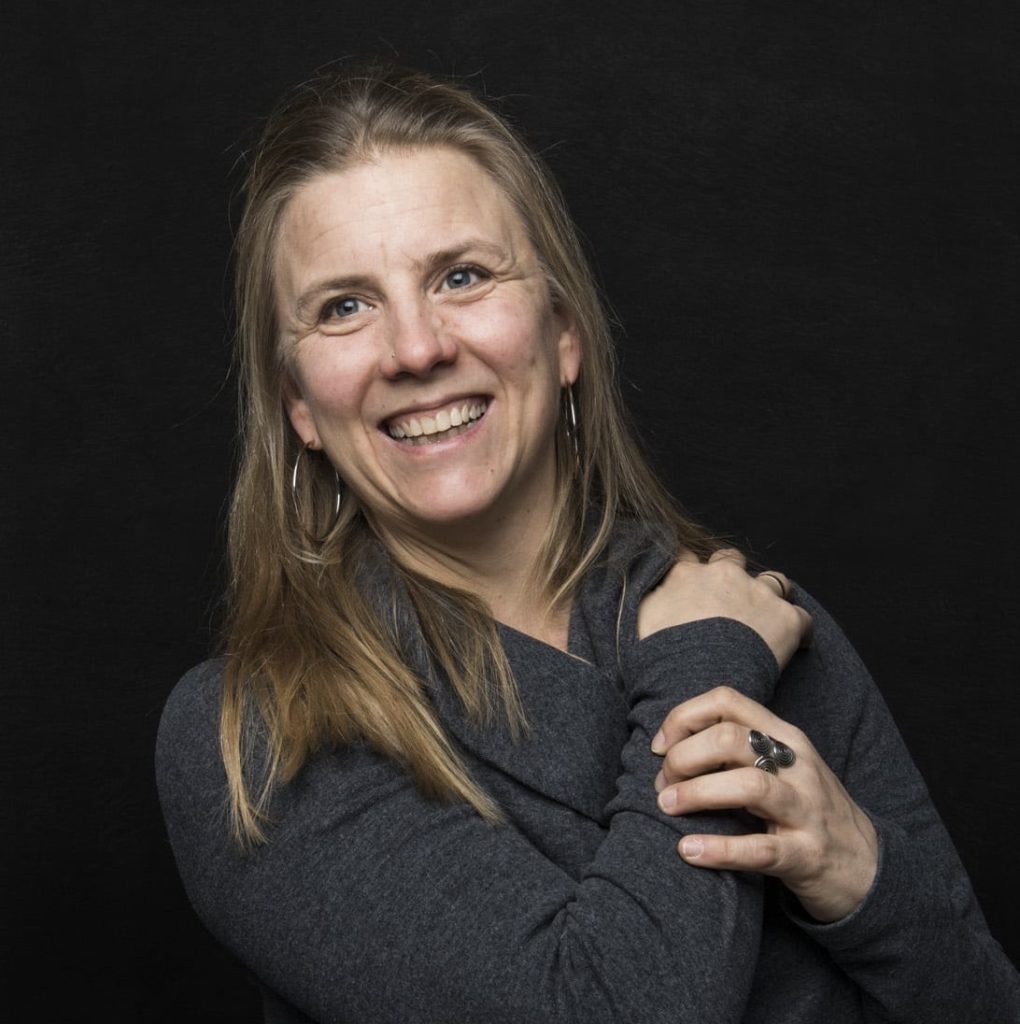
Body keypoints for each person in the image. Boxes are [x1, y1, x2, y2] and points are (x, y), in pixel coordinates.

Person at [156, 62, 1020, 1023]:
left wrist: (862, 876)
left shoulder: (768, 618)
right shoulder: (255, 734)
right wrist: (704, 663)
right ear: (299, 406)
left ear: (563, 333)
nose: (417, 348)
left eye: (462, 276)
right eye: (344, 306)